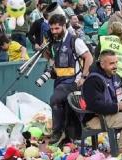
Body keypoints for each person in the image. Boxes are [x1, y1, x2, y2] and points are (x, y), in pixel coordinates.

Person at [82, 49, 122, 154]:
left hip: (110, 112)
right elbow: (94, 105)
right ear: (102, 65)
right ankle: (120, 153)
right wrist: (117, 107)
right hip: (96, 118)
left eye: (116, 62)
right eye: (111, 63)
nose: (115, 66)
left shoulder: (114, 76)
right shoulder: (93, 80)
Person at [45, 14, 93, 144]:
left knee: (54, 100)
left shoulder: (75, 41)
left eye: (57, 28)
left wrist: (83, 77)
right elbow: (52, 61)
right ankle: (69, 136)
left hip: (73, 81)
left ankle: (57, 132)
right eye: (52, 29)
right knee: (65, 107)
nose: (54, 32)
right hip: (60, 81)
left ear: (64, 26)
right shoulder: (53, 42)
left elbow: (89, 58)